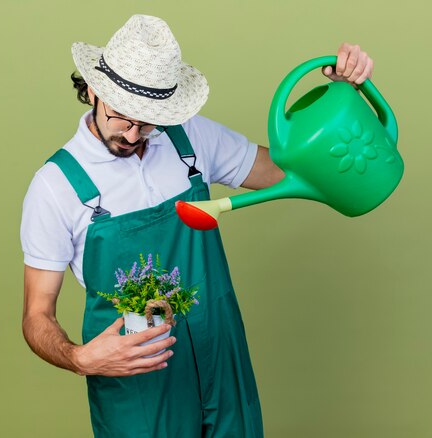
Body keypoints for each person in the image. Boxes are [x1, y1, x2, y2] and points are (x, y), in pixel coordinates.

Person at [21, 14, 374, 438]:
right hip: (138, 377)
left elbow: (291, 173)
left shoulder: (192, 140)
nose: (133, 134)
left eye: (148, 121)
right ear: (93, 89)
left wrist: (338, 97)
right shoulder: (56, 186)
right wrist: (81, 359)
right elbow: (36, 315)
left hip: (218, 351)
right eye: (121, 116)